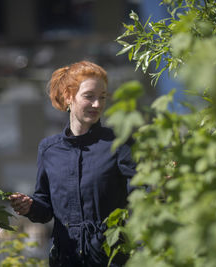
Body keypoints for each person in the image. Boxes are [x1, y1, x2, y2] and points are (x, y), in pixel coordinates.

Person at [10, 61, 136, 267]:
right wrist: (29, 206)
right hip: (65, 258)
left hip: (112, 259)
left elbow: (141, 197)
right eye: (89, 96)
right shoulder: (49, 149)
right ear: (69, 97)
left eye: (102, 97)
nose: (97, 104)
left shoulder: (120, 143)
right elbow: (45, 207)